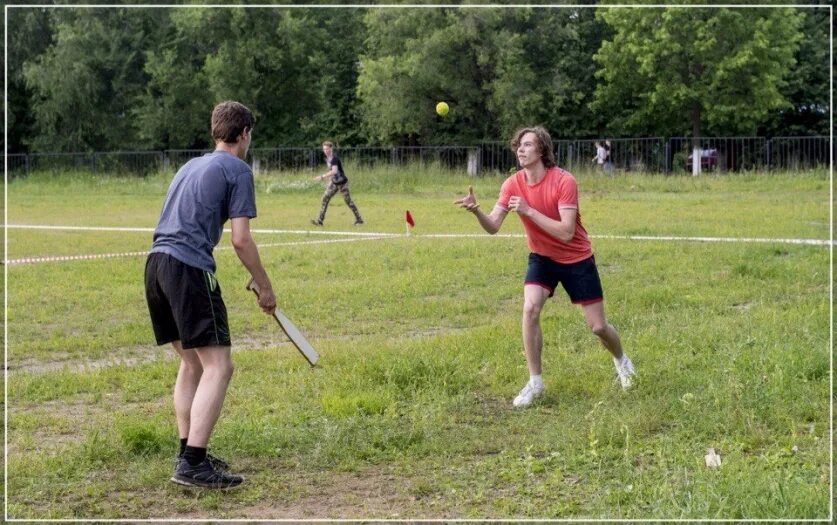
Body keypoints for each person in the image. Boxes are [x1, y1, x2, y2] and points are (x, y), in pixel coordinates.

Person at [145, 101, 277, 489]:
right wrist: (265, 285)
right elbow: (240, 239)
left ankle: (187, 452)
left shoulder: (190, 166)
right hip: (187, 269)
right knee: (219, 366)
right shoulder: (238, 169)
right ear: (245, 134)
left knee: (192, 365)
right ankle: (193, 464)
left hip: (155, 266)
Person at [455, 126, 635, 408]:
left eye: (527, 145)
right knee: (530, 308)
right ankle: (535, 381)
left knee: (598, 327)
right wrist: (477, 210)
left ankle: (622, 361)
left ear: (542, 150)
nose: (521, 150)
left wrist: (528, 210)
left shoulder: (564, 181)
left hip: (576, 258)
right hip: (542, 257)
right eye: (518, 145)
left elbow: (565, 232)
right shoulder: (512, 184)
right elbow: (493, 227)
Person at [311, 141, 364, 226]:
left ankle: (359, 220)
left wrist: (322, 177)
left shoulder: (334, 158)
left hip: (342, 183)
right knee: (325, 198)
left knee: (348, 201)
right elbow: (332, 171)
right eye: (324, 149)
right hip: (334, 182)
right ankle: (319, 221)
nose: (325, 151)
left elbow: (334, 171)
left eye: (327, 149)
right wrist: (329, 179)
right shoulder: (328, 159)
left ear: (331, 149)